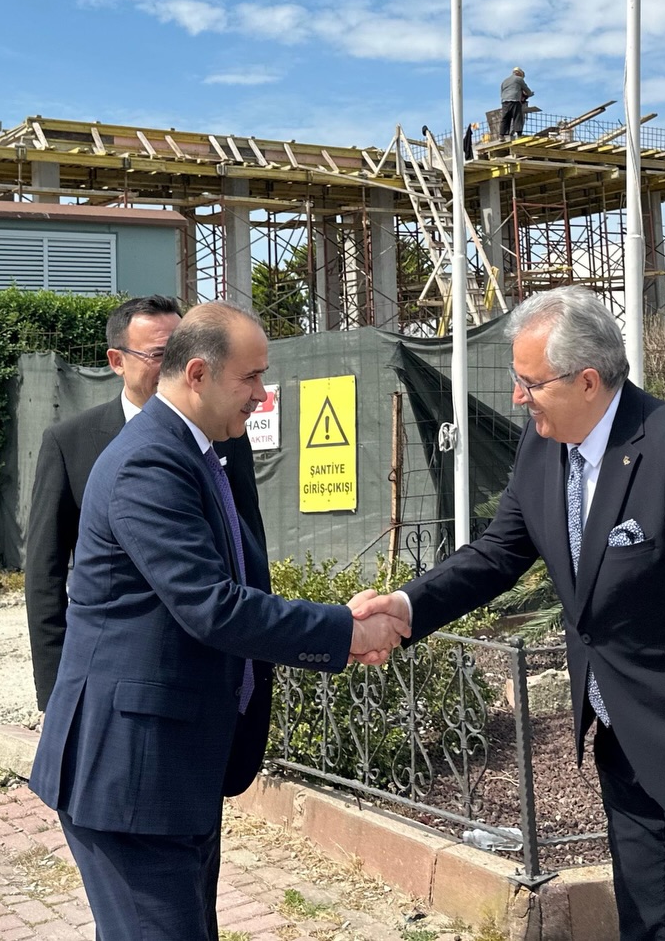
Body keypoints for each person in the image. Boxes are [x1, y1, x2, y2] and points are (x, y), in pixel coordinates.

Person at [352, 286, 665, 941]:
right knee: (645, 928)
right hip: (624, 747)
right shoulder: (545, 444)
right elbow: (498, 553)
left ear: (587, 381)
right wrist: (403, 608)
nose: (518, 396)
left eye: (530, 382)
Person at [30, 302, 408, 941]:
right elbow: (213, 606)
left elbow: (234, 586)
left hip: (174, 766)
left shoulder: (195, 451)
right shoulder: (149, 463)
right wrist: (346, 631)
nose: (262, 395)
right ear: (198, 374)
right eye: (251, 378)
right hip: (132, 775)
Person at [25, 295, 262, 717]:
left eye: (180, 349)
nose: (173, 364)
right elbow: (46, 576)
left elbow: (247, 548)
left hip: (218, 674)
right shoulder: (71, 442)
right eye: (158, 354)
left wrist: (256, 663)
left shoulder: (225, 435)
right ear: (116, 361)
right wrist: (57, 696)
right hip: (134, 689)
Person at [499, 66, 533, 137]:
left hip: (505, 101)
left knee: (505, 118)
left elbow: (502, 92)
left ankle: (502, 135)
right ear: (519, 73)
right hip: (514, 100)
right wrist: (530, 94)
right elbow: (526, 89)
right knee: (517, 116)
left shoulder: (504, 81)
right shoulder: (519, 79)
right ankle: (519, 134)